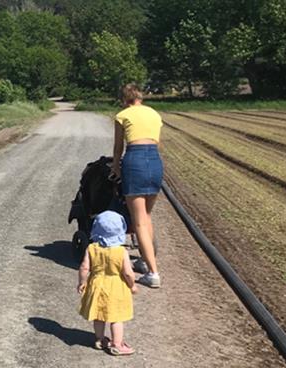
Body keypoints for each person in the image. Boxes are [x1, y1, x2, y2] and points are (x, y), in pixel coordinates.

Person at [111, 84, 163, 288]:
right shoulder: (154, 114)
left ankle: (153, 272)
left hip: (135, 160)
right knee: (147, 216)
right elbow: (157, 143)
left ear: (124, 99)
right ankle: (144, 260)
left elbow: (118, 148)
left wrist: (116, 166)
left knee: (139, 221)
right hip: (155, 160)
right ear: (140, 97)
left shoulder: (122, 116)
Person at [78, 210, 139, 356]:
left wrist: (82, 282)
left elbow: (84, 267)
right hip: (116, 286)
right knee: (116, 317)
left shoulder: (92, 248)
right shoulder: (121, 251)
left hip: (97, 284)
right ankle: (117, 344)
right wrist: (132, 285)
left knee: (99, 314)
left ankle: (99, 340)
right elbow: (128, 272)